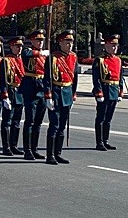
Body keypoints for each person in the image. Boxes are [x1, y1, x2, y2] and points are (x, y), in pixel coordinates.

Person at [44, 29, 78, 165]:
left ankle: (58, 153)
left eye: (71, 42)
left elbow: (75, 78)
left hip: (67, 93)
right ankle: (50, 155)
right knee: (54, 125)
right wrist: (48, 96)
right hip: (56, 92)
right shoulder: (53, 58)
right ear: (60, 43)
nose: (70, 45)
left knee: (62, 125)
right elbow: (47, 79)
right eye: (67, 42)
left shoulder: (73, 57)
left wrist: (73, 94)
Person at [20, 29, 49, 160]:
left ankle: (35, 148)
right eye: (38, 40)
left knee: (38, 122)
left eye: (42, 40)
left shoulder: (44, 55)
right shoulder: (28, 52)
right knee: (30, 121)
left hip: (42, 89)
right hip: (31, 90)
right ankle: (27, 150)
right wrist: (39, 53)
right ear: (32, 41)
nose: (40, 42)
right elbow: (26, 55)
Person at [92, 34, 124, 151]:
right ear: (106, 45)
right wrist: (98, 92)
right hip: (104, 90)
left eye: (116, 45)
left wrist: (120, 91)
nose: (115, 48)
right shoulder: (100, 60)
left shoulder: (118, 60)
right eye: (112, 45)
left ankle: (105, 140)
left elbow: (120, 77)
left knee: (109, 118)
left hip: (114, 91)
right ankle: (99, 142)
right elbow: (96, 78)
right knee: (101, 117)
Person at [0, 36, 26, 156]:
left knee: (17, 121)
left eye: (20, 46)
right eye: (17, 46)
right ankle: (6, 147)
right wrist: (4, 96)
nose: (19, 49)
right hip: (10, 91)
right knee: (7, 121)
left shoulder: (22, 60)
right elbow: (3, 80)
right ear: (11, 47)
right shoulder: (6, 61)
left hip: (20, 92)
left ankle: (14, 145)